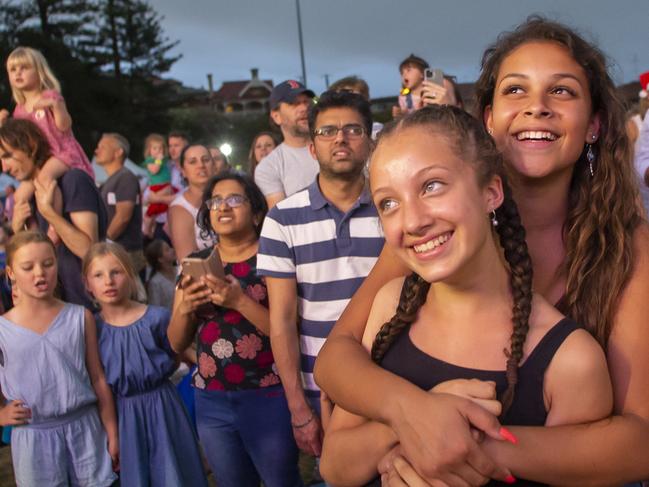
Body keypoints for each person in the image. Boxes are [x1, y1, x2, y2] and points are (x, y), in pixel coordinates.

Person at [314, 16, 649, 486]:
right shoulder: (437, 233)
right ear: (488, 119)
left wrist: (453, 443)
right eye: (515, 90)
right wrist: (410, 415)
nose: (537, 107)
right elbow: (336, 358)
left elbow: (640, 439)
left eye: (563, 91)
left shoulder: (628, 249)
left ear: (593, 125)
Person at [257, 91, 384, 457]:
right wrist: (299, 410)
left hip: (397, 380)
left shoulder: (393, 208)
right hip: (325, 391)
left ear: (369, 141)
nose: (340, 139)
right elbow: (281, 322)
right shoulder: (282, 220)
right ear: (312, 148)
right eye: (327, 131)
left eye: (352, 129)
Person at [168, 172, 302, 487]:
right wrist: (186, 307)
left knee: (281, 480)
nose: (223, 207)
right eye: (215, 201)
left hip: (268, 394)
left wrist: (238, 300)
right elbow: (176, 342)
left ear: (257, 213)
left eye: (234, 199)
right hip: (211, 399)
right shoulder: (196, 263)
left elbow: (289, 331)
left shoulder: (273, 257)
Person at [84, 242, 207, 487]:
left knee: (173, 472)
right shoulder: (91, 329)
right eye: (99, 275)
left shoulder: (157, 318)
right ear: (88, 284)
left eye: (116, 272)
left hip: (163, 408)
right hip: (123, 416)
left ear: (130, 275)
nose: (108, 281)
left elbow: (183, 351)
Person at [0, 231, 118, 486]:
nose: (39, 273)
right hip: (33, 439)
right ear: (11, 273)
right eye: (27, 267)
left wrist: (112, 431)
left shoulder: (80, 317)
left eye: (47, 264)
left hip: (85, 430)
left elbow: (98, 378)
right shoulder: (3, 330)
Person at [0, 118, 107, 308]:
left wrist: (49, 213)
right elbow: (38, 253)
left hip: (88, 308)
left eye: (7, 155)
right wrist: (18, 230)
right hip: (56, 310)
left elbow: (89, 250)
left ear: (30, 145)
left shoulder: (73, 180)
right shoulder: (31, 193)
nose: (4, 167)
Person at [1, 47, 93, 233]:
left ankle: (54, 227)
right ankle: (33, 231)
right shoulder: (19, 110)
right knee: (19, 196)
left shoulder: (50, 97)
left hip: (61, 153)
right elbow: (18, 144)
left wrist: (56, 106)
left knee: (45, 179)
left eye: (24, 67)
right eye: (13, 69)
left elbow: (64, 126)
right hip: (40, 161)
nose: (18, 72)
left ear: (39, 71)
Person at [254, 80, 318, 208]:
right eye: (294, 103)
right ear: (276, 116)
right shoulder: (269, 167)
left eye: (306, 102)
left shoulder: (336, 145)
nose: (304, 108)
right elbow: (282, 219)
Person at [95, 132, 145, 277]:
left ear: (118, 152)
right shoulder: (111, 180)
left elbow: (123, 217)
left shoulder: (125, 178)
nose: (96, 151)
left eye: (102, 147)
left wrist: (105, 243)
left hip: (125, 252)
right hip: (117, 251)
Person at [168, 144, 217, 261]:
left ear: (214, 166)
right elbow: (189, 261)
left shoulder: (226, 198)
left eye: (205, 160)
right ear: (183, 170)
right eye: (192, 162)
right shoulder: (180, 208)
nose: (201, 165)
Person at [141, 134, 174, 238]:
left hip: (165, 186)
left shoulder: (165, 161)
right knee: (152, 210)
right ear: (149, 150)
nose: (158, 151)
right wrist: (158, 160)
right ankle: (146, 231)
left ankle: (152, 230)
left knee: (160, 209)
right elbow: (154, 170)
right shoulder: (150, 160)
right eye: (155, 148)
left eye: (160, 148)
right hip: (157, 187)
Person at [144, 238, 177, 310]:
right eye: (167, 250)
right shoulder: (155, 283)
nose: (172, 250)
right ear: (160, 259)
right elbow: (156, 308)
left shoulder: (180, 270)